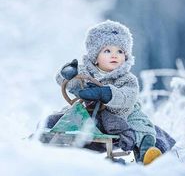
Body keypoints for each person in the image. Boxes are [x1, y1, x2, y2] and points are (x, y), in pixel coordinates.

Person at [52, 20, 175, 165]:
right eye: (107, 51)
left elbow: (127, 97)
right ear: (95, 56)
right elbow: (67, 83)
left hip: (122, 114)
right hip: (88, 111)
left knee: (142, 127)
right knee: (57, 118)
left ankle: (146, 152)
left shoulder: (127, 79)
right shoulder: (84, 72)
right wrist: (67, 74)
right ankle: (43, 140)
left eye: (120, 51)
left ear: (126, 56)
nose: (114, 55)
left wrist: (107, 93)